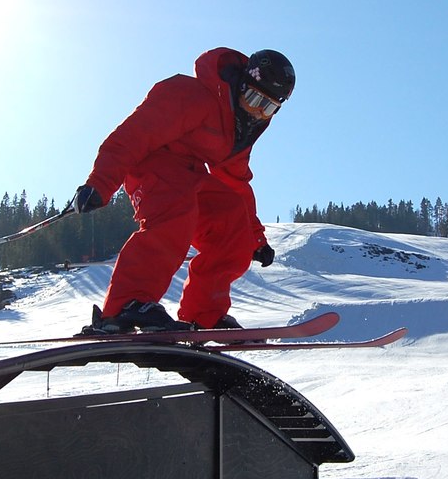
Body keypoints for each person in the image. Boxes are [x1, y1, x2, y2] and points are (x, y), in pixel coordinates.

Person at [72, 46, 295, 333]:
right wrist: (100, 183)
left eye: (268, 107)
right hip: (151, 165)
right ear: (241, 83)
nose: (257, 112)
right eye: (253, 98)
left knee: (230, 221)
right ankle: (124, 305)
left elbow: (236, 183)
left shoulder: (240, 131)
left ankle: (203, 313)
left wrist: (255, 239)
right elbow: (133, 135)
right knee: (176, 215)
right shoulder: (192, 95)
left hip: (190, 174)